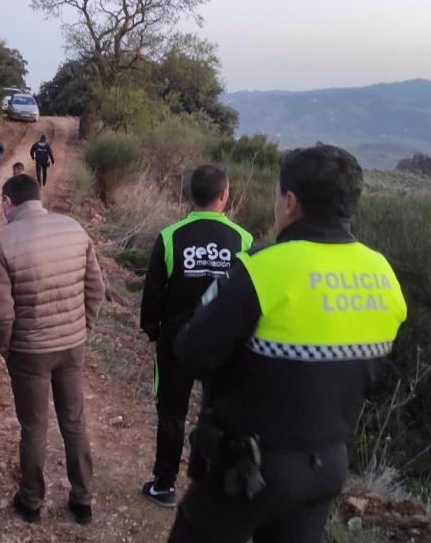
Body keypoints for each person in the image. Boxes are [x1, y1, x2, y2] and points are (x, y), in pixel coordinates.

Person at [167, 145, 408, 542]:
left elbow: (192, 353)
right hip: (326, 468)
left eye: (278, 195)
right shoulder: (384, 276)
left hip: (246, 468)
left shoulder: (262, 268)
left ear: (291, 201)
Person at [0, 174, 105, 525]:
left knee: (34, 427)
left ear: (8, 202)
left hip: (29, 351)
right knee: (74, 422)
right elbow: (96, 288)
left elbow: (0, 310)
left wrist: (4, 348)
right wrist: (83, 326)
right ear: (38, 197)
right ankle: (82, 499)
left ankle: (32, 501)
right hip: (72, 345)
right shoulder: (74, 228)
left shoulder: (2, 241)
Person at [139, 165, 253, 507]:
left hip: (177, 341)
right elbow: (250, 296)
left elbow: (153, 292)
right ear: (224, 195)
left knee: (172, 413)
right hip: (224, 345)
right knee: (219, 414)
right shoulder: (244, 241)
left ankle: (164, 483)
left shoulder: (170, 237)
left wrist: (152, 331)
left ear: (191, 195)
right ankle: (215, 488)